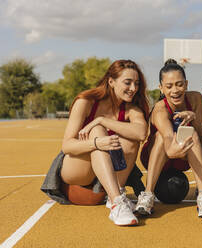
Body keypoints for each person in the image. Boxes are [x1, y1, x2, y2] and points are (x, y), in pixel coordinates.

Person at [42, 60, 149, 226]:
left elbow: (141, 133)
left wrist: (102, 120)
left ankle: (115, 194)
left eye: (137, 83)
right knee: (97, 131)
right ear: (111, 81)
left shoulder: (131, 109)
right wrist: (98, 142)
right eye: (127, 82)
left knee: (130, 140)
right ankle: (117, 203)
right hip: (76, 172)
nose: (133, 88)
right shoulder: (86, 101)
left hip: (104, 179)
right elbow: (67, 146)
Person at [136, 59, 202, 217]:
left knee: (191, 131)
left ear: (186, 84)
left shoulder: (195, 99)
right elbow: (170, 147)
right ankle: (148, 194)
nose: (175, 90)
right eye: (169, 86)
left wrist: (193, 117)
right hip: (158, 154)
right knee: (159, 136)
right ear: (161, 88)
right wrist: (180, 143)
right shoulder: (160, 109)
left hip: (183, 156)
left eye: (179, 84)